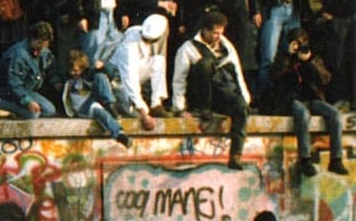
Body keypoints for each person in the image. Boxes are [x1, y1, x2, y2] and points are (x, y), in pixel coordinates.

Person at [172, 11, 252, 169]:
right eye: (215, 33)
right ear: (205, 30)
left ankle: (236, 155)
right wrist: (180, 108)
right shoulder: (188, 49)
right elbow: (179, 80)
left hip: (220, 91)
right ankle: (204, 109)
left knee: (240, 106)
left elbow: (237, 72)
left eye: (220, 33)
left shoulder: (226, 46)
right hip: (199, 94)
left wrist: (244, 98)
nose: (218, 37)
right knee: (206, 63)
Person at [265, 28, 347, 176]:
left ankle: (336, 159)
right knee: (302, 114)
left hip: (313, 98)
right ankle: (305, 159)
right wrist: (287, 56)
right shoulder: (283, 58)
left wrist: (309, 61)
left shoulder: (314, 58)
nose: (298, 47)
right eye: (295, 43)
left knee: (335, 114)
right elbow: (274, 76)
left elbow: (325, 79)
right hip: (290, 98)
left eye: (301, 43)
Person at [106, 13, 170, 129]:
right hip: (117, 82)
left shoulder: (140, 31)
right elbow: (130, 79)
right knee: (134, 115)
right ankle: (138, 107)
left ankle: (156, 103)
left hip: (135, 74)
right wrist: (144, 113)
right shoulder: (129, 47)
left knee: (158, 61)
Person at [63, 49, 130, 147]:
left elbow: (111, 74)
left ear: (82, 69)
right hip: (83, 106)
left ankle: (110, 105)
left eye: (76, 71)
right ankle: (119, 134)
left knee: (100, 76)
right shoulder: (66, 78)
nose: (72, 73)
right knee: (101, 113)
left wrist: (103, 66)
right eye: (71, 70)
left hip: (93, 99)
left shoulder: (88, 74)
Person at [0, 22, 56, 119]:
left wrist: (56, 81)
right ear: (32, 39)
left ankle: (10, 111)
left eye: (44, 46)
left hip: (26, 90)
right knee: (33, 114)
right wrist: (28, 101)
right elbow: (14, 85)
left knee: (49, 110)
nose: (41, 50)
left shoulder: (44, 51)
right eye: (39, 45)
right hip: (7, 90)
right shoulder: (19, 55)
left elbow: (51, 69)